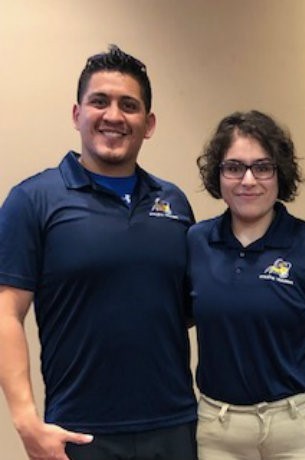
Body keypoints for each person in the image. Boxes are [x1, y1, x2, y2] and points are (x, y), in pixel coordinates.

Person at [0, 45, 197, 460]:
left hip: (174, 427)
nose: (113, 116)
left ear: (148, 124)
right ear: (77, 115)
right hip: (79, 434)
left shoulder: (174, 203)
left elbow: (193, 307)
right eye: (99, 101)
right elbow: (6, 312)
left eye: (129, 105)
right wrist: (25, 420)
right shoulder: (33, 200)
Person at [189, 110, 305, 460]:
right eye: (234, 167)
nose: (248, 180)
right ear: (217, 175)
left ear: (280, 174)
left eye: (262, 167)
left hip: (299, 426)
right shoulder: (195, 243)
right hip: (219, 431)